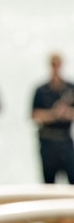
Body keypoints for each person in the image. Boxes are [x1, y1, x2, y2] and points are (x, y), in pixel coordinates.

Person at [31, 52, 74, 184]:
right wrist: (54, 114)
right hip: (48, 141)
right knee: (48, 182)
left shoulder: (70, 88)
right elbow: (35, 115)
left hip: (65, 140)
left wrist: (66, 114)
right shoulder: (41, 90)